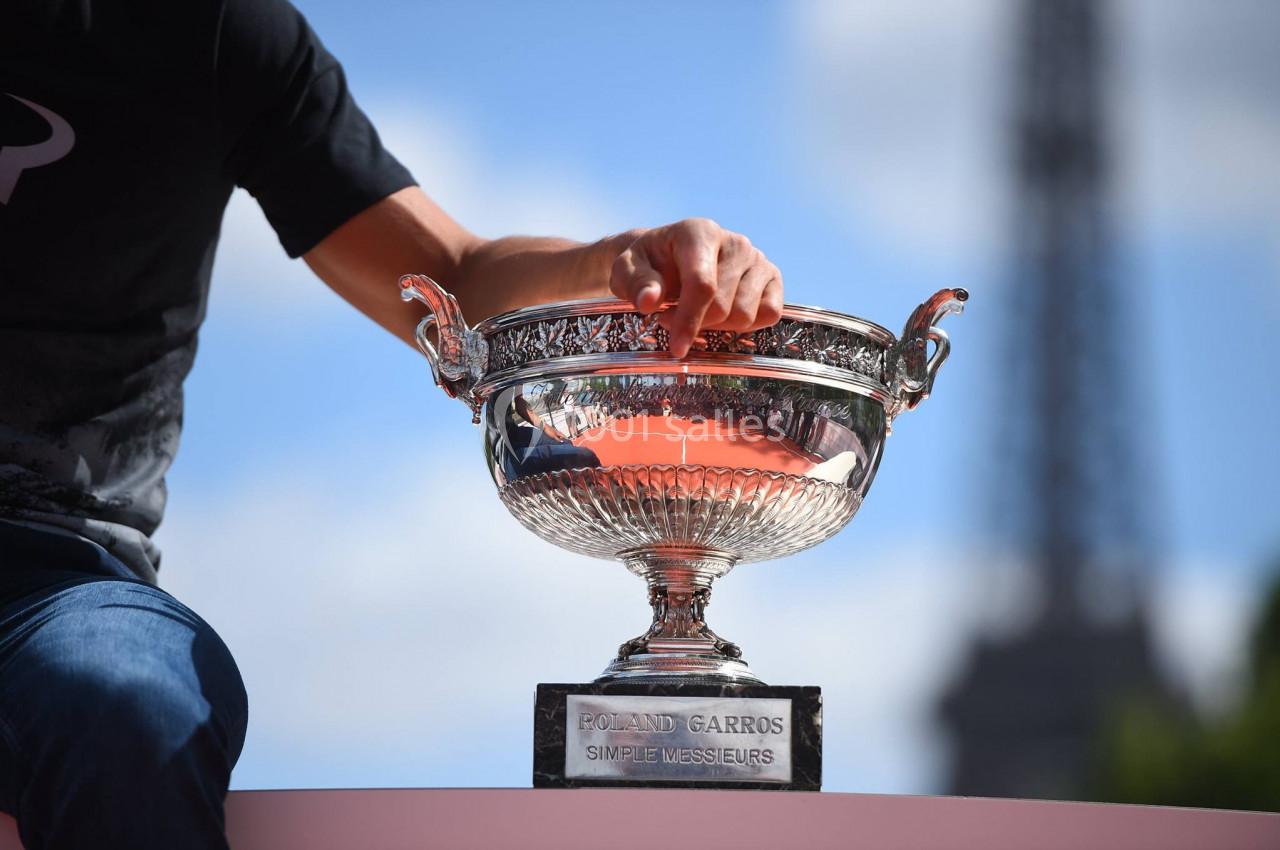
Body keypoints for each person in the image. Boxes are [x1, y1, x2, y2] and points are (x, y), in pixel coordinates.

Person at [0, 1, 783, 847]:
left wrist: (622, 260)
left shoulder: (210, 30)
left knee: (129, 702)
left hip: (54, 585)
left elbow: (447, 278)